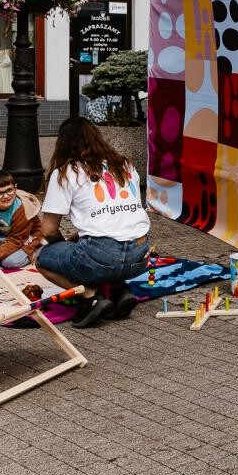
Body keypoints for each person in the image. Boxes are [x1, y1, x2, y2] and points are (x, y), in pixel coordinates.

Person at [36, 117, 152, 328]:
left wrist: (61, 245)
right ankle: (119, 290)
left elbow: (48, 229)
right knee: (94, 251)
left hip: (102, 256)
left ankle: (90, 297)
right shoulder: (124, 164)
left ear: (62, 143)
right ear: (98, 138)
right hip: (140, 254)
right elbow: (117, 217)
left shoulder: (67, 172)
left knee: (42, 258)